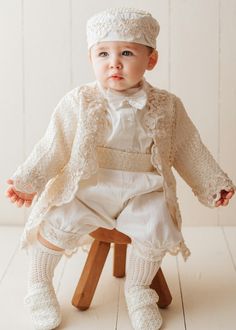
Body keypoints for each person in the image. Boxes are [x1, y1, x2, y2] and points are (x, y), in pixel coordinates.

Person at [5, 7, 235, 330]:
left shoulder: (167, 106)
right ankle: (40, 281)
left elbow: (188, 147)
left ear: (150, 60)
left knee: (158, 221)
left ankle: (139, 289)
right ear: (91, 59)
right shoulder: (80, 101)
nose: (114, 62)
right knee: (60, 215)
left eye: (126, 52)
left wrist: (212, 183)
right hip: (91, 186)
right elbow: (53, 144)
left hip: (142, 191)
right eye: (103, 53)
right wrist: (28, 180)